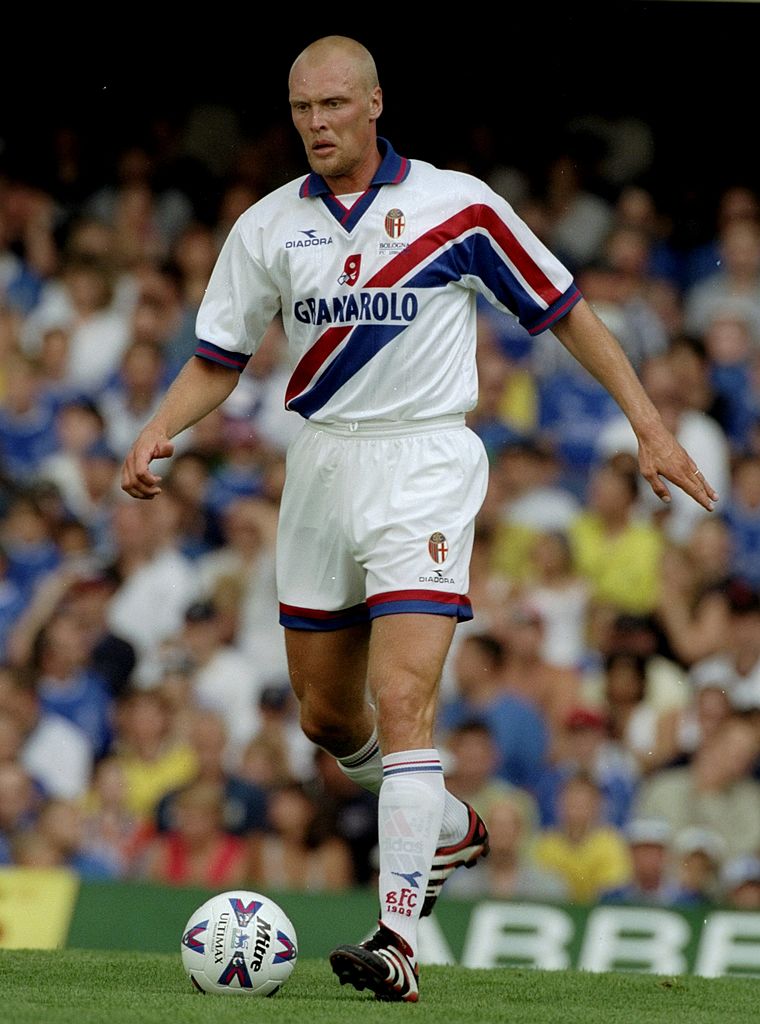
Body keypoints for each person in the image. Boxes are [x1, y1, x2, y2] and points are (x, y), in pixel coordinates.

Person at [120, 35, 717, 1003]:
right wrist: (158, 428)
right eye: (301, 108)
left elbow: (566, 309)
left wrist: (648, 425)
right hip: (320, 465)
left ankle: (397, 937)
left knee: (403, 700)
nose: (316, 123)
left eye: (333, 104)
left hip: (424, 462)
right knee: (325, 715)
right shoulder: (267, 226)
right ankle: (445, 825)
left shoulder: (457, 205)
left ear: (374, 103)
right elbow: (218, 358)